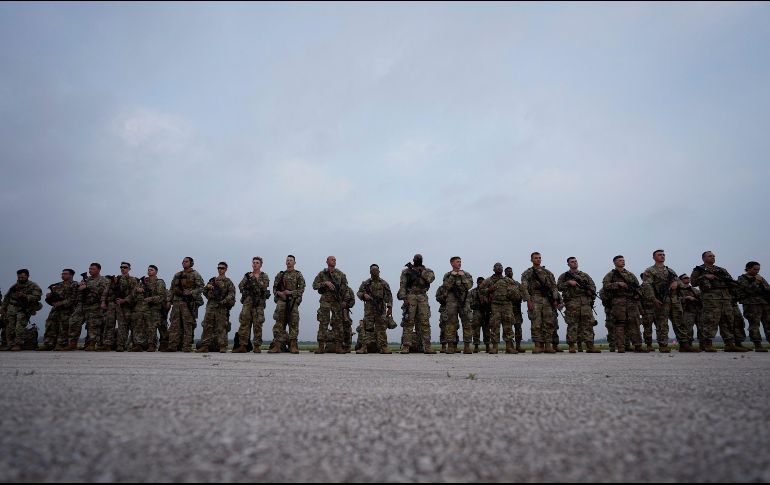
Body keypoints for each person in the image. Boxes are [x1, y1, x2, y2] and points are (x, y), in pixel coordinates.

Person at [690, 251, 747, 352]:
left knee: (728, 321)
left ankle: (729, 344)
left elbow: (731, 281)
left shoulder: (721, 270)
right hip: (711, 299)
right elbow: (693, 282)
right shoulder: (699, 269)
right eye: (710, 256)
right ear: (703, 258)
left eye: (713, 256)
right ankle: (707, 344)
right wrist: (704, 276)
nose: (713, 257)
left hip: (725, 298)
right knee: (710, 321)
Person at [643, 250, 691, 352]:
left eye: (663, 255)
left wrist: (676, 284)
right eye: (659, 255)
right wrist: (653, 299)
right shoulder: (650, 271)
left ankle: (684, 344)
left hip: (674, 300)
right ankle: (663, 345)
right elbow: (647, 286)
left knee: (679, 322)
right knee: (662, 324)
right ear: (654, 257)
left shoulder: (670, 271)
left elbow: (681, 284)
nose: (662, 256)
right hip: (661, 300)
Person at [557, 257, 601, 353]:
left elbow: (593, 286)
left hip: (585, 303)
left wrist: (590, 291)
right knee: (572, 324)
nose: (574, 263)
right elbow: (559, 287)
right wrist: (568, 283)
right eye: (572, 262)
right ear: (568, 264)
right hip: (572, 303)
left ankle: (590, 345)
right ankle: (572, 345)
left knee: (588, 324)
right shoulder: (564, 276)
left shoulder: (584, 275)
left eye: (575, 261)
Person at [521, 252, 562, 354]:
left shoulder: (548, 273)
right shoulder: (528, 273)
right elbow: (524, 287)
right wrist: (528, 300)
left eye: (539, 258)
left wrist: (555, 299)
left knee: (548, 322)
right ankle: (538, 345)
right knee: (536, 322)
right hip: (535, 298)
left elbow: (554, 287)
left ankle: (548, 345)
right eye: (535, 258)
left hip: (547, 300)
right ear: (531, 260)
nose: (538, 260)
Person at [602, 255, 644, 353]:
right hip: (618, 301)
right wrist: (617, 284)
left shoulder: (630, 274)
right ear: (615, 262)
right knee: (620, 324)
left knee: (635, 323)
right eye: (620, 260)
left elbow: (638, 287)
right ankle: (621, 346)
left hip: (631, 301)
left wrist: (637, 295)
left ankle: (638, 345)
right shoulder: (611, 275)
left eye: (623, 260)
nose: (622, 262)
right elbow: (605, 286)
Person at [398, 254, 436, 354]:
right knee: (408, 321)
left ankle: (427, 346)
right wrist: (404, 298)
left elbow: (431, 279)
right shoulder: (406, 271)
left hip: (422, 296)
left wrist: (421, 272)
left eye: (419, 258)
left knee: (425, 322)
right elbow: (402, 285)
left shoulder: (427, 271)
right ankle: (406, 346)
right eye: (416, 258)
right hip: (410, 296)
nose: (417, 260)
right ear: (413, 260)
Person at [480, 263, 521, 354]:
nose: (499, 268)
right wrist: (489, 290)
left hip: (507, 304)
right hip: (495, 305)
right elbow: (481, 290)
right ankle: (495, 347)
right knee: (495, 325)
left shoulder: (507, 280)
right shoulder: (489, 280)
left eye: (501, 267)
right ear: (493, 269)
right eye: (497, 267)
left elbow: (516, 290)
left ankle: (509, 347)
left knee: (508, 325)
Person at [311, 256, 349, 354]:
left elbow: (345, 288)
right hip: (325, 301)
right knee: (323, 323)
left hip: (336, 302)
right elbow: (314, 285)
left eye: (335, 260)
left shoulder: (340, 274)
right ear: (327, 261)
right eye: (332, 259)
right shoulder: (322, 273)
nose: (334, 261)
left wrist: (344, 299)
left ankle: (338, 347)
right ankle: (320, 347)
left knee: (338, 324)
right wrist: (325, 283)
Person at [67, 263, 109, 351]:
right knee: (74, 321)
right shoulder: (86, 279)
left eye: (93, 269)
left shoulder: (103, 280)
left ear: (98, 270)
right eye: (89, 269)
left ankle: (92, 344)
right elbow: (78, 292)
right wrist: (79, 287)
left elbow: (102, 291)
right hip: (82, 305)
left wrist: (88, 287)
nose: (90, 270)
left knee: (93, 325)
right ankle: (72, 343)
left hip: (94, 305)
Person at [269, 255, 306, 354]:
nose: (289, 262)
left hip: (292, 301)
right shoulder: (280, 274)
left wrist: (290, 293)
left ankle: (293, 345)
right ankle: (277, 346)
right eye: (287, 260)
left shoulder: (298, 275)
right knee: (279, 323)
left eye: (291, 260)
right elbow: (274, 288)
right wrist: (279, 293)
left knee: (293, 322)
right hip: (282, 301)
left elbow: (301, 289)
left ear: (294, 262)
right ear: (286, 262)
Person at [197, 262, 236, 353]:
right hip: (211, 306)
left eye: (222, 268)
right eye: (219, 268)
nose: (220, 269)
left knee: (222, 326)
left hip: (221, 307)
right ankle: (205, 346)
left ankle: (222, 346)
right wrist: (207, 288)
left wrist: (224, 301)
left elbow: (231, 294)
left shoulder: (228, 282)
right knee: (207, 326)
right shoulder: (212, 280)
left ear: (226, 269)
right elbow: (205, 292)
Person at [168, 257, 204, 352]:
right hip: (176, 302)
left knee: (188, 325)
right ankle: (172, 345)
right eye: (183, 261)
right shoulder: (177, 275)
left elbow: (201, 287)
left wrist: (191, 292)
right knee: (174, 324)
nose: (184, 263)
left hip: (188, 303)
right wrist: (168, 301)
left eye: (186, 261)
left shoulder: (195, 274)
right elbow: (171, 289)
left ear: (191, 263)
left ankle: (186, 346)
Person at [234, 257, 270, 353]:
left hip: (258, 303)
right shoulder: (247, 275)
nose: (255, 264)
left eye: (257, 263)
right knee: (244, 323)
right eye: (253, 262)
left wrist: (254, 279)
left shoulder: (264, 276)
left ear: (261, 265)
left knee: (257, 324)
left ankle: (257, 346)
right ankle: (243, 345)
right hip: (248, 302)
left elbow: (264, 286)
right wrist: (247, 289)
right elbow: (240, 286)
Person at [0, 269, 42, 351]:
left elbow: (37, 297)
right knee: (9, 326)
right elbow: (7, 297)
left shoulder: (33, 286)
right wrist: (3, 308)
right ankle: (9, 344)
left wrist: (25, 296)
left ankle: (17, 344)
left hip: (24, 309)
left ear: (27, 276)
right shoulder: (14, 286)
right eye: (19, 277)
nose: (20, 279)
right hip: (11, 308)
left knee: (19, 326)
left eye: (22, 277)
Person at [103, 262, 141, 352]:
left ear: (129, 269)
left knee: (123, 326)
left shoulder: (132, 280)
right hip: (113, 304)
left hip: (125, 306)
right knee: (109, 324)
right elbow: (106, 291)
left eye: (125, 267)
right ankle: (108, 344)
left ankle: (121, 345)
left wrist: (124, 300)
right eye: (121, 267)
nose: (123, 269)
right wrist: (103, 302)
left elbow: (133, 293)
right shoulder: (114, 279)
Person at [356, 264, 394, 354]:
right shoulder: (366, 283)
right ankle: (364, 347)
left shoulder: (384, 283)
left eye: (376, 270)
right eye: (373, 270)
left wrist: (390, 307)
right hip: (369, 309)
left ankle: (383, 347)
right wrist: (363, 295)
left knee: (381, 328)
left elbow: (389, 296)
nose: (375, 271)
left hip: (380, 308)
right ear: (370, 272)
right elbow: (359, 292)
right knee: (367, 329)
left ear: (379, 271)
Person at [440, 257, 473, 354]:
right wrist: (452, 276)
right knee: (450, 323)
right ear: (452, 263)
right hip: (451, 301)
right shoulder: (447, 275)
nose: (459, 263)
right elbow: (446, 286)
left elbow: (469, 286)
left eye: (460, 262)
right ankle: (450, 346)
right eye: (457, 262)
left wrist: (462, 277)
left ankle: (467, 346)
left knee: (467, 322)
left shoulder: (466, 274)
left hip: (464, 301)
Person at [40, 269, 79, 351]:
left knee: (64, 327)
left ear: (71, 275)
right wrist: (49, 297)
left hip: (67, 310)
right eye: (62, 274)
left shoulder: (74, 285)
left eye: (65, 274)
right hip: (55, 309)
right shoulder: (57, 285)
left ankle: (61, 344)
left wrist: (62, 303)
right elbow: (54, 297)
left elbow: (74, 298)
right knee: (50, 325)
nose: (63, 275)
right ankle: (48, 344)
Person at [737, 261, 770, 352]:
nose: (757, 271)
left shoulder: (760, 278)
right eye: (755, 269)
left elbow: (767, 288)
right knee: (754, 325)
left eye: (758, 269)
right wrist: (756, 282)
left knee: (768, 324)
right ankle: (757, 344)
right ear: (748, 268)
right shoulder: (742, 278)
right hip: (751, 304)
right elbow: (748, 290)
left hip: (764, 303)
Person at [136, 265, 169, 352]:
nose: (149, 271)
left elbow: (161, 296)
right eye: (148, 270)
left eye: (151, 270)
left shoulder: (159, 282)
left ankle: (154, 345)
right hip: (145, 309)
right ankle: (144, 344)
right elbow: (136, 293)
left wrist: (151, 299)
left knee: (156, 327)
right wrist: (138, 290)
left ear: (156, 272)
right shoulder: (144, 282)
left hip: (157, 308)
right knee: (145, 327)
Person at [504, 267, 527, 353]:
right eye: (508, 271)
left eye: (511, 271)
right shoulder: (503, 282)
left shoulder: (517, 283)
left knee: (518, 327)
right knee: (508, 328)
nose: (510, 272)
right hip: (507, 308)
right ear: (505, 273)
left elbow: (523, 292)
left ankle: (518, 345)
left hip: (517, 308)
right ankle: (510, 346)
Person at [469, 277, 488, 353]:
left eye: (482, 282)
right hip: (476, 311)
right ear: (477, 283)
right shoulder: (472, 292)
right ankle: (476, 346)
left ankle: (487, 346)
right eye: (479, 282)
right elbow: (469, 301)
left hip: (485, 312)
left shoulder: (487, 291)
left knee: (486, 329)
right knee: (476, 329)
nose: (481, 284)